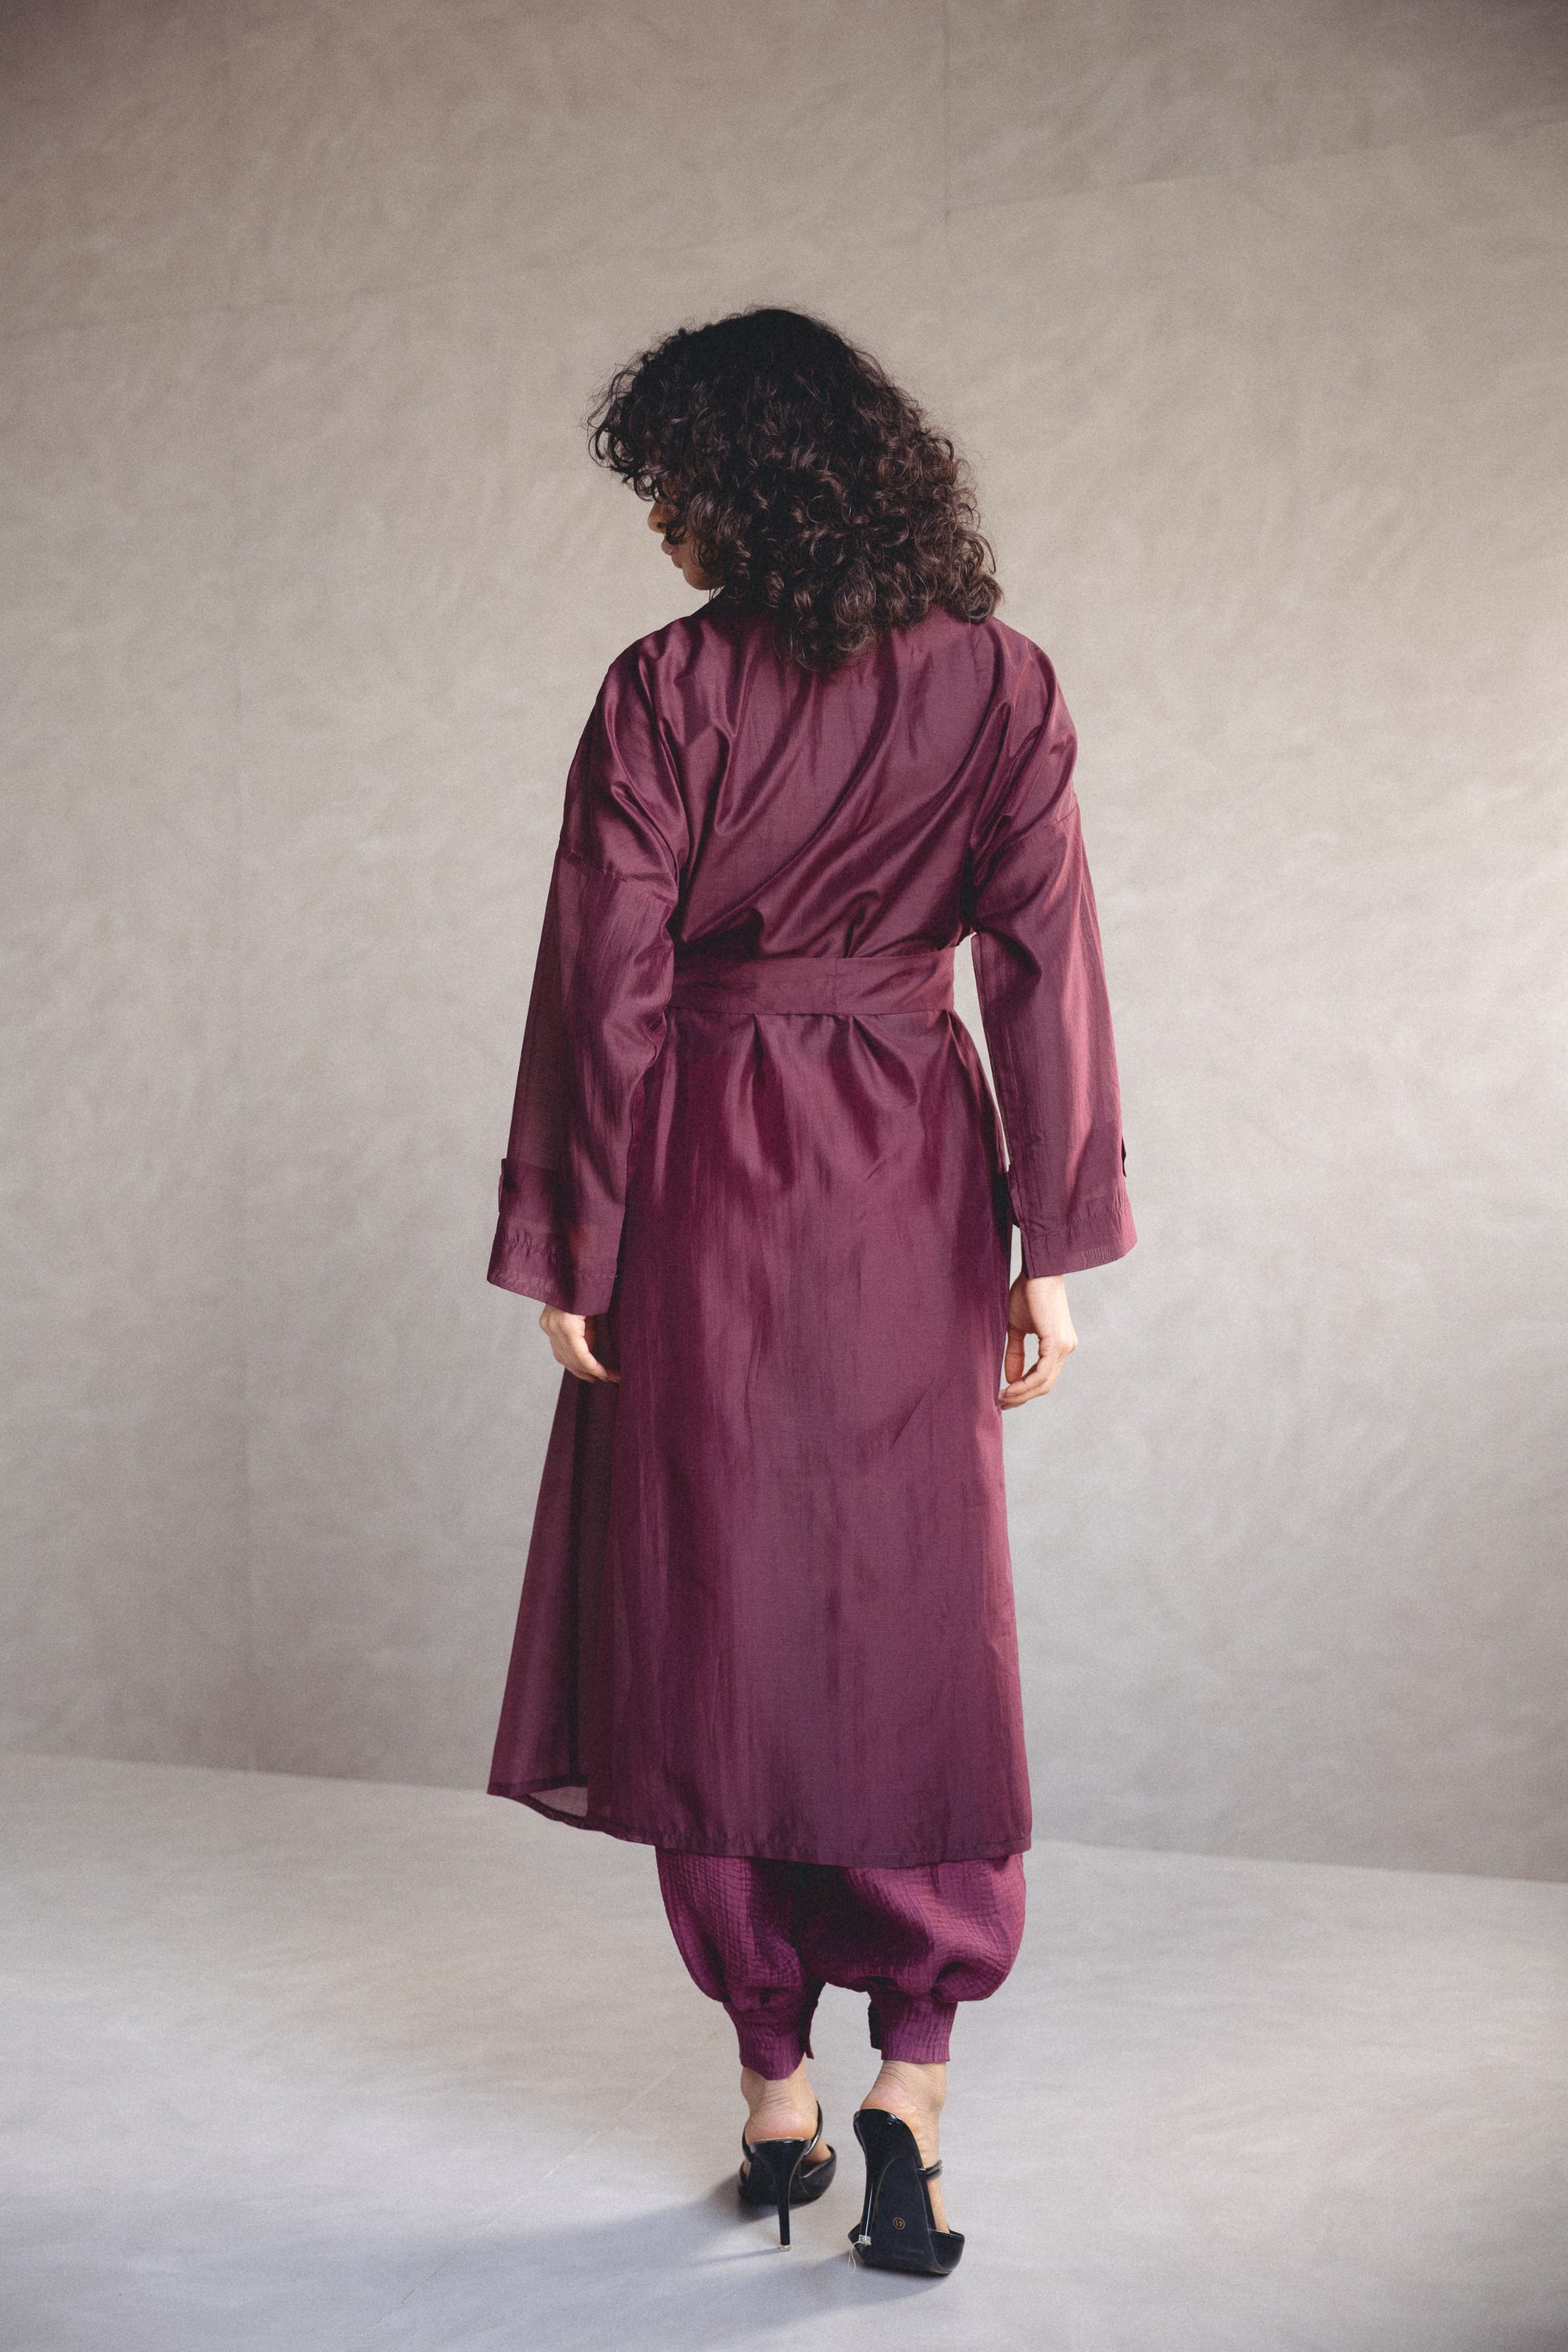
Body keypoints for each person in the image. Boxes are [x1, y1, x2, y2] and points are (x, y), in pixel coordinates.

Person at [484, 306, 1136, 2276]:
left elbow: (602, 974)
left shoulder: (664, 689)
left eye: (674, 482)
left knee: (715, 1609)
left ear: (751, 485)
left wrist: (573, 1238)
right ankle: (907, 2083)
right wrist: (1048, 1242)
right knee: (913, 1607)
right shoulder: (1001, 681)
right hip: (910, 1177)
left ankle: (772, 2079)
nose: (659, 520)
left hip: (700, 1177)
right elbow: (1042, 965)